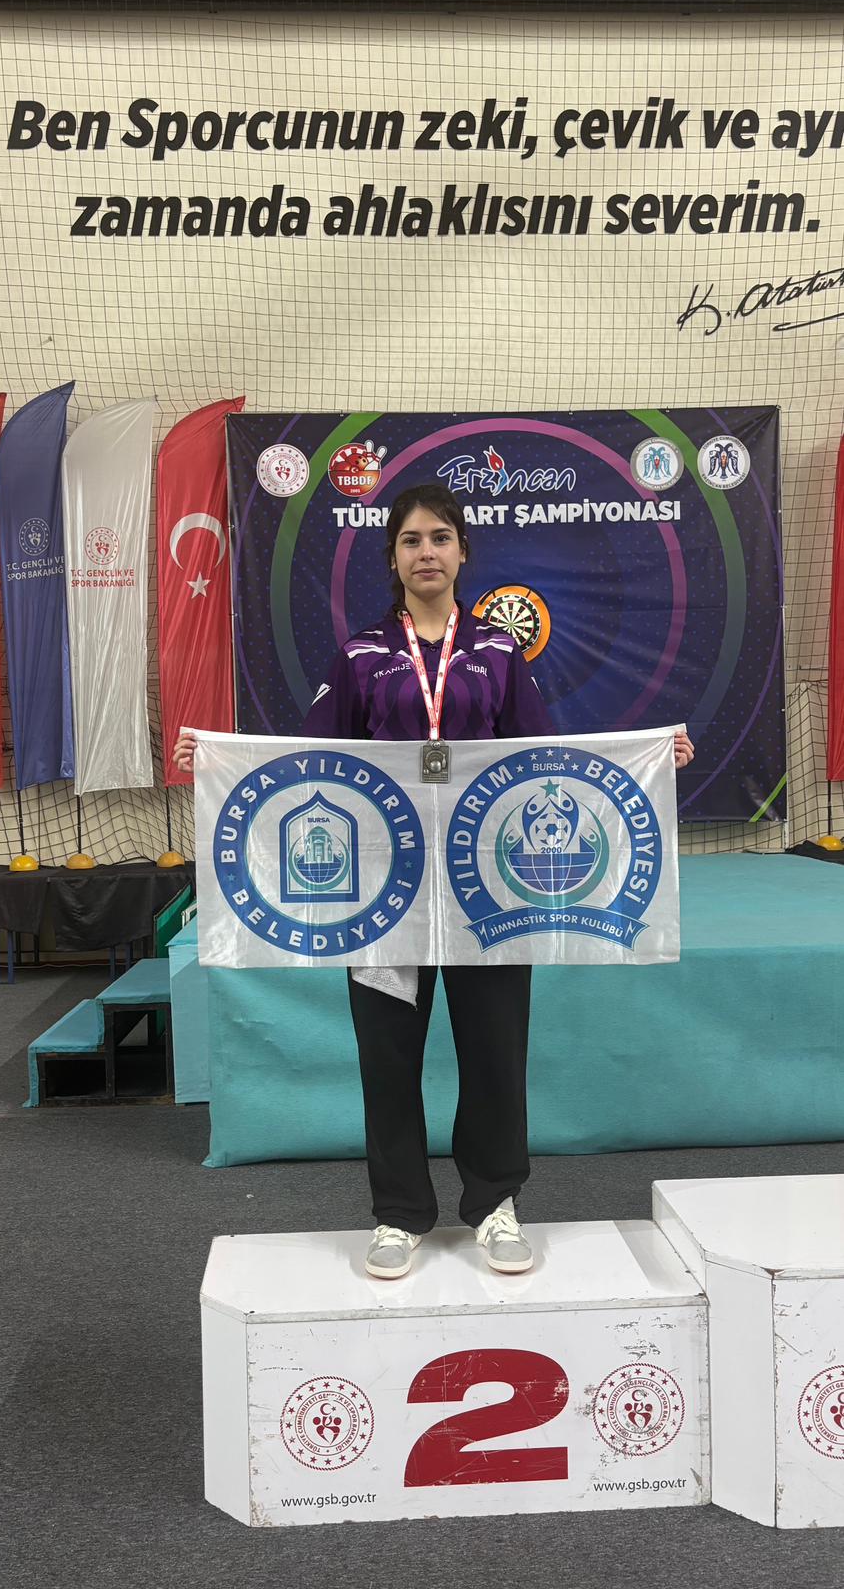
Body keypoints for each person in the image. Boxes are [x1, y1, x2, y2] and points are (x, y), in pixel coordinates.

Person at [174, 481, 694, 1283]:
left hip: (490, 894)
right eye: (412, 540)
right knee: (387, 1056)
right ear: (393, 557)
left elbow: (542, 763)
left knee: (495, 1052)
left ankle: (495, 1203)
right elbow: (309, 762)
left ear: (462, 552)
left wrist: (651, 760)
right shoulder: (360, 656)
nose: (427, 553)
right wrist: (215, 761)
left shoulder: (498, 652)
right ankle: (398, 1213)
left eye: (440, 538)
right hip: (385, 896)